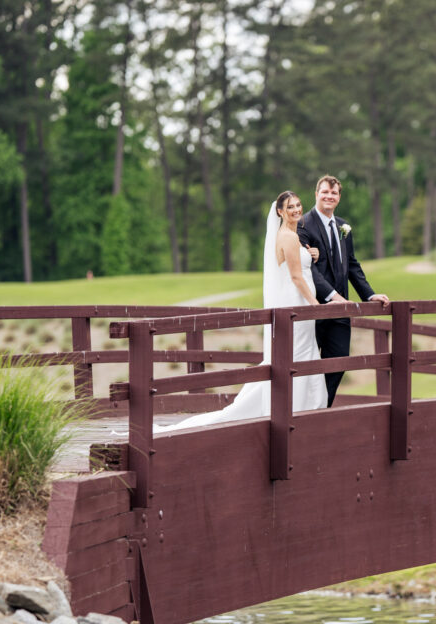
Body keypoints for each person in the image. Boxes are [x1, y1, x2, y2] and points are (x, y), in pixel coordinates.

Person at [157, 192, 327, 431]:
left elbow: (298, 265)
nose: (297, 210)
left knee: (302, 352)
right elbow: (296, 276)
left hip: (299, 301)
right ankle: (296, 406)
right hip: (297, 302)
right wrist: (315, 304)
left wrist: (312, 255)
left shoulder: (293, 236)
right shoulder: (288, 237)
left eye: (298, 205)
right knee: (296, 353)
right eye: (290, 207)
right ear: (280, 211)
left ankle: (304, 406)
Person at [298, 174, 389, 406]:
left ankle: (320, 407)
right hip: (314, 308)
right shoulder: (303, 225)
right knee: (305, 364)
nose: (330, 196)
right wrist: (333, 296)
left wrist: (369, 294)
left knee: (339, 361)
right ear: (316, 194)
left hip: (341, 310)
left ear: (339, 197)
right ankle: (300, 409)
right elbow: (309, 270)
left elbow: (352, 264)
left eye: (334, 193)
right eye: (325, 192)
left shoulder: (343, 226)